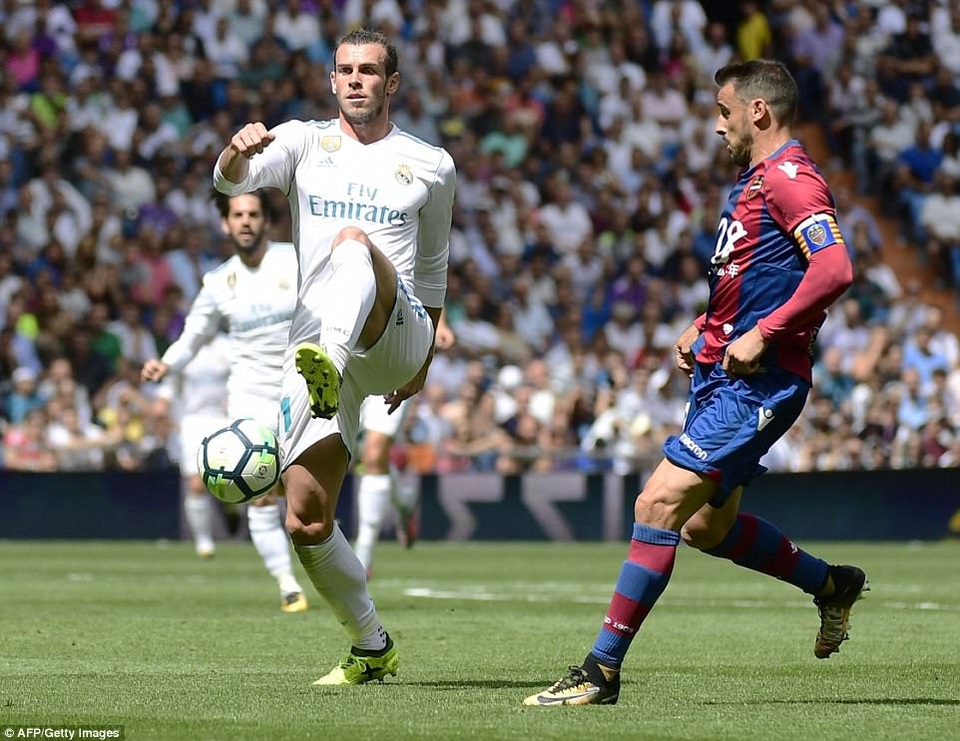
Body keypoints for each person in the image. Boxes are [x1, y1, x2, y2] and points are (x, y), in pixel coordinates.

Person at [524, 60, 865, 707]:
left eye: (723, 110)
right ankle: (831, 584)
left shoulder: (790, 178)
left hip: (758, 383)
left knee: (656, 505)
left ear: (757, 111)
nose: (716, 124)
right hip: (719, 378)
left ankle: (600, 671)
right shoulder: (755, 183)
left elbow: (834, 266)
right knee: (706, 526)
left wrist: (764, 332)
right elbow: (758, 277)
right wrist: (705, 322)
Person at [212, 28, 456, 686]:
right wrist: (235, 155)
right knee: (306, 517)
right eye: (345, 70)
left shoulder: (430, 163)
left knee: (353, 243)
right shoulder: (301, 142)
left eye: (369, 71)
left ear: (391, 83)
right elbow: (226, 179)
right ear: (331, 80)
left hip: (389, 333)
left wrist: (424, 360)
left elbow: (432, 272)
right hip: (320, 349)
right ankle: (370, 642)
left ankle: (313, 381)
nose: (355, 80)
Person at [141, 190, 309, 614]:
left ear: (267, 221)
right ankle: (288, 584)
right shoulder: (219, 282)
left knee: (308, 496)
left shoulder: (296, 258)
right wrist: (167, 364)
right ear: (225, 224)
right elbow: (194, 334)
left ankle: (333, 566)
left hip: (302, 389)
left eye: (253, 214)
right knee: (262, 491)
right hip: (250, 398)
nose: (247, 221)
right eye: (238, 215)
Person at [352, 313, 454, 579]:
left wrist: (440, 324)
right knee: (356, 455)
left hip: (393, 360)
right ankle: (405, 500)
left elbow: (427, 276)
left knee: (374, 454)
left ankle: (363, 553)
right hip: (345, 357)